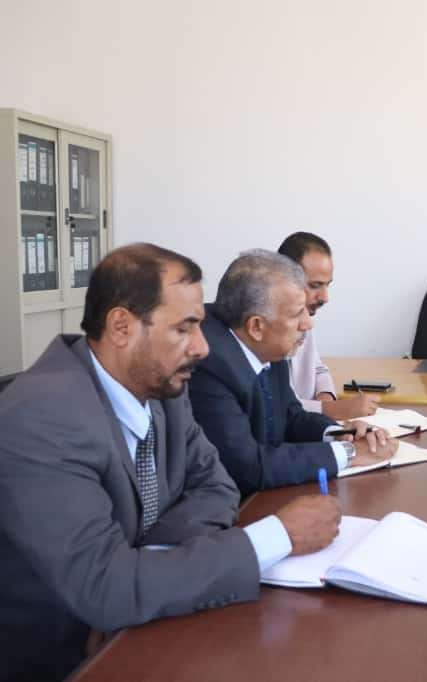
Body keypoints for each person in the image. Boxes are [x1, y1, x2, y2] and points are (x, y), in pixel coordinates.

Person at [0, 244, 343, 682]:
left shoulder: (162, 387)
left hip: (133, 624)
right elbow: (104, 588)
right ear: (121, 327)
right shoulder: (42, 417)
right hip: (65, 658)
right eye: (184, 328)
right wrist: (277, 537)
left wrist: (143, 574)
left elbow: (217, 486)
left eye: (199, 325)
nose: (202, 347)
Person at [189, 250, 396, 497]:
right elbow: (247, 467)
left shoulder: (267, 343)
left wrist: (340, 435)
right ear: (256, 326)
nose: (308, 324)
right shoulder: (208, 364)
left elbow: (291, 415)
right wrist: (349, 454)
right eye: (298, 313)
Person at [277, 231, 380, 420]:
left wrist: (326, 398)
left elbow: (317, 368)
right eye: (315, 285)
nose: (325, 297)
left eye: (327, 285)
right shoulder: (269, 328)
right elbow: (275, 402)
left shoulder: (304, 319)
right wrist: (332, 410)